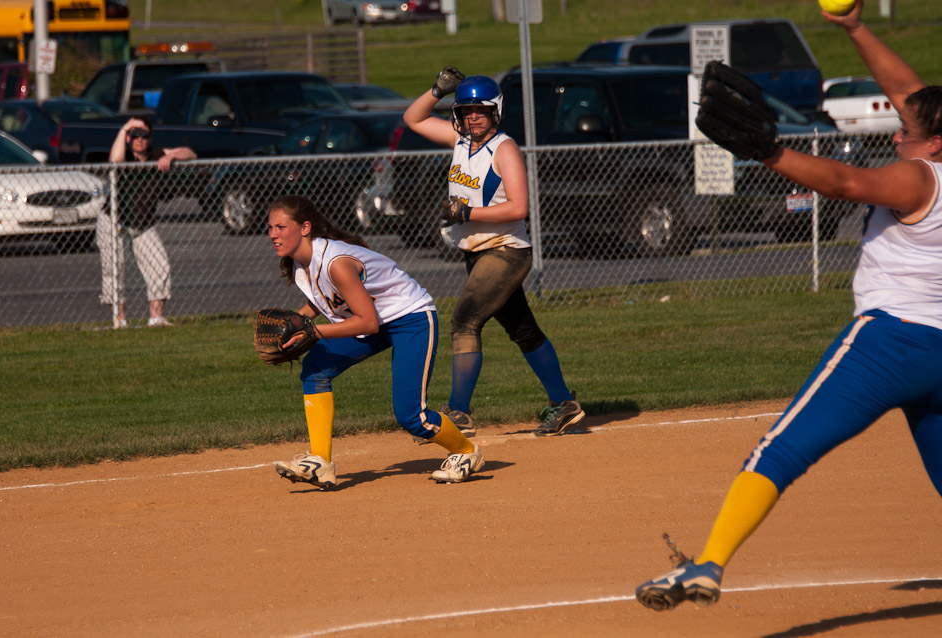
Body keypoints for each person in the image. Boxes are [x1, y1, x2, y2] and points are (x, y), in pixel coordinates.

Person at [636, 0, 942, 611]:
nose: (896, 133)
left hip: (889, 346)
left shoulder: (920, 178)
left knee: (778, 451)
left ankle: (708, 564)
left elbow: (848, 183)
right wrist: (855, 27)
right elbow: (911, 94)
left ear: (933, 143)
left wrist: (770, 152)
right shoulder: (935, 150)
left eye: (906, 132)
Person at [403, 67, 584, 437]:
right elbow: (413, 119)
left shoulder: (504, 149)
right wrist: (438, 90)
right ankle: (564, 403)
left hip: (505, 251)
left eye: (481, 111)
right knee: (523, 330)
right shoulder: (460, 141)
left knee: (464, 322)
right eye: (466, 111)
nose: (473, 117)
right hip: (478, 252)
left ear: (496, 112)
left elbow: (519, 207)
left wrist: (468, 213)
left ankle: (458, 413)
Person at [270, 195, 484, 487]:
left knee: (412, 416)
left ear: (305, 228)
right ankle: (320, 462)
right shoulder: (301, 264)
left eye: (281, 227)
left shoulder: (335, 263)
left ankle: (466, 452)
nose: (273, 234)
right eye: (270, 227)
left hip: (411, 318)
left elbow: (367, 323)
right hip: (376, 319)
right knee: (316, 368)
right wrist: (295, 323)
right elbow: (326, 298)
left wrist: (314, 332)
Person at [98, 116, 196, 328]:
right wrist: (124, 129)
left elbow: (190, 153)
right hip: (113, 220)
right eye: (134, 134)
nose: (139, 139)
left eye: (144, 135)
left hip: (142, 223)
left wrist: (171, 157)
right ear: (128, 138)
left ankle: (156, 319)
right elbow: (114, 160)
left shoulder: (156, 154)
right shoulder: (125, 155)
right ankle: (119, 320)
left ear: (150, 137)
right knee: (115, 269)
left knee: (159, 265)